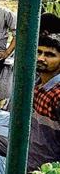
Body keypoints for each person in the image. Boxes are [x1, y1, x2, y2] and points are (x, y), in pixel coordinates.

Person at [28, 33, 60, 171]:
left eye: (49, 55)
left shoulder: (57, 95)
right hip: (31, 145)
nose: (41, 58)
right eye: (38, 52)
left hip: (44, 162)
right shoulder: (38, 83)